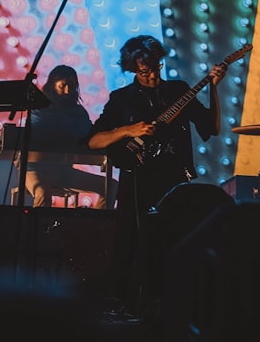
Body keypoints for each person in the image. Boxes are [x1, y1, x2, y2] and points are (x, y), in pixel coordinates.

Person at [88, 35, 228, 319]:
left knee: (175, 241)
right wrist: (128, 131)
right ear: (131, 69)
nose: (151, 75)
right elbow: (93, 141)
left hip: (173, 180)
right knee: (131, 241)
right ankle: (125, 304)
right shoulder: (122, 99)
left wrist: (214, 88)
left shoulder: (178, 90)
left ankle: (169, 304)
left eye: (154, 67)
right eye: (143, 70)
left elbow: (211, 128)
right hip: (136, 179)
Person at [23, 65, 109, 209]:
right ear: (52, 84)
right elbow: (39, 132)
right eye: (63, 86)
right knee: (42, 193)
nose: (68, 91)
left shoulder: (78, 111)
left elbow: (88, 135)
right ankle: (37, 229)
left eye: (72, 86)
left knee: (110, 186)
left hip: (63, 172)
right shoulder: (38, 107)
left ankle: (93, 227)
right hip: (34, 169)